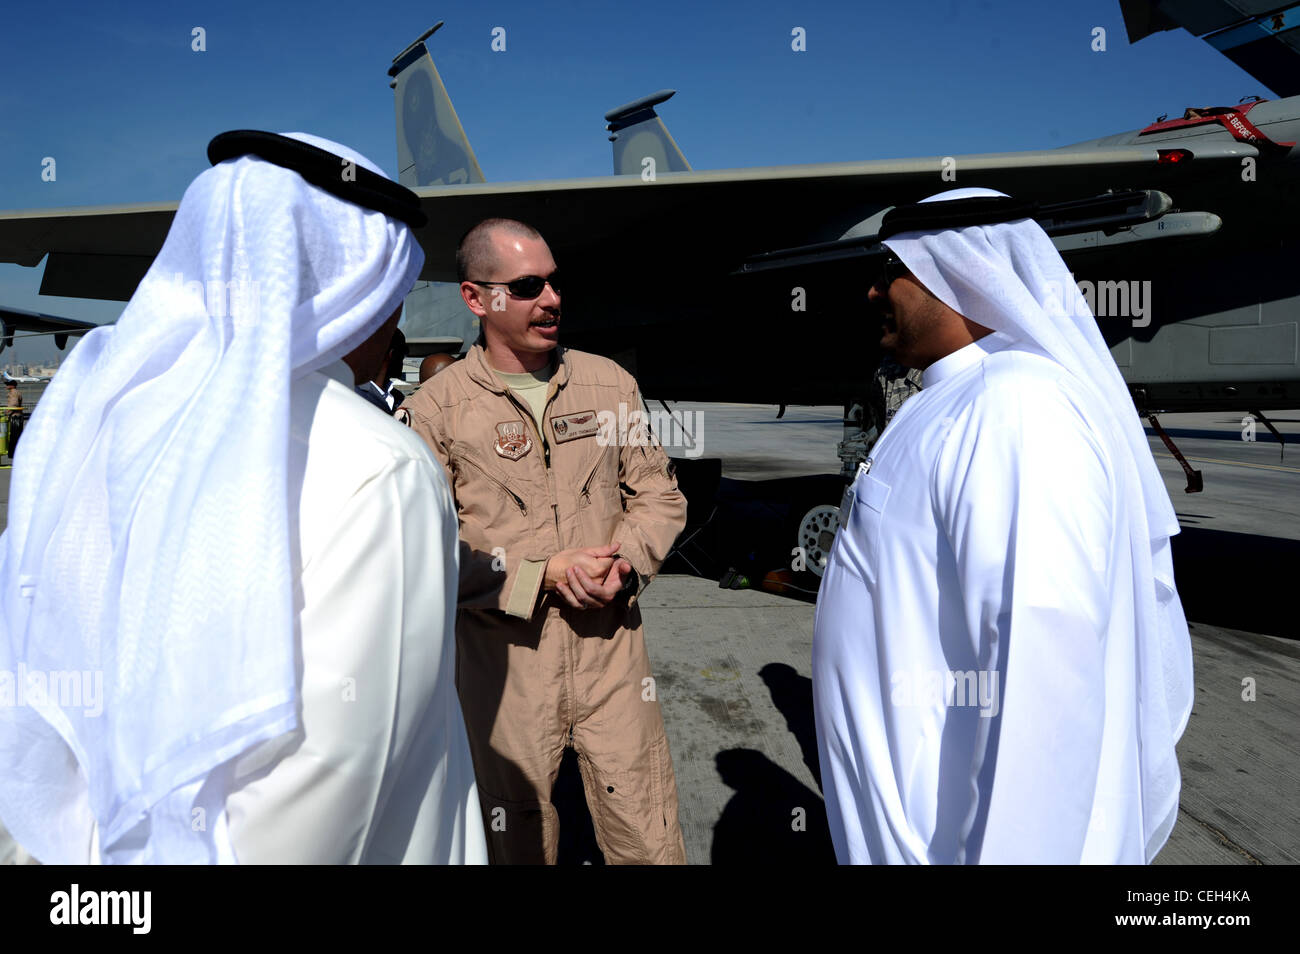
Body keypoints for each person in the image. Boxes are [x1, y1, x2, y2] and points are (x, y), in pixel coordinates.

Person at [0, 130, 487, 864]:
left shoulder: (104, 433)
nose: (393, 317)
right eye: (389, 286)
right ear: (348, 281)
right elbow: (332, 780)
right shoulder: (381, 465)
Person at [812, 187, 1194, 864]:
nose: (874, 294)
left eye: (889, 272)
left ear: (959, 274)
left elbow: (1040, 689)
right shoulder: (956, 395)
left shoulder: (1018, 408)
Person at [405, 217, 689, 864]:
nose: (552, 299)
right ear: (477, 298)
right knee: (514, 837)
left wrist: (624, 563)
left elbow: (659, 493)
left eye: (555, 283)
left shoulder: (607, 385)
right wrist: (542, 573)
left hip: (610, 653)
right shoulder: (437, 410)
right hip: (503, 668)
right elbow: (427, 552)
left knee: (645, 828)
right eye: (528, 286)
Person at [356, 327, 408, 415]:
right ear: (393, 354)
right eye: (403, 354)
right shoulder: (356, 397)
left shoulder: (399, 399)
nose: (403, 362)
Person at [3, 379, 22, 457]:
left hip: (15, 417)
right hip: (16, 416)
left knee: (14, 436)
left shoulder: (13, 393)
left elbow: (13, 404)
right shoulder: (14, 392)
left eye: (8, 384)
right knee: (15, 436)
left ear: (12, 386)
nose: (6, 386)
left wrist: (6, 413)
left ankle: (13, 454)